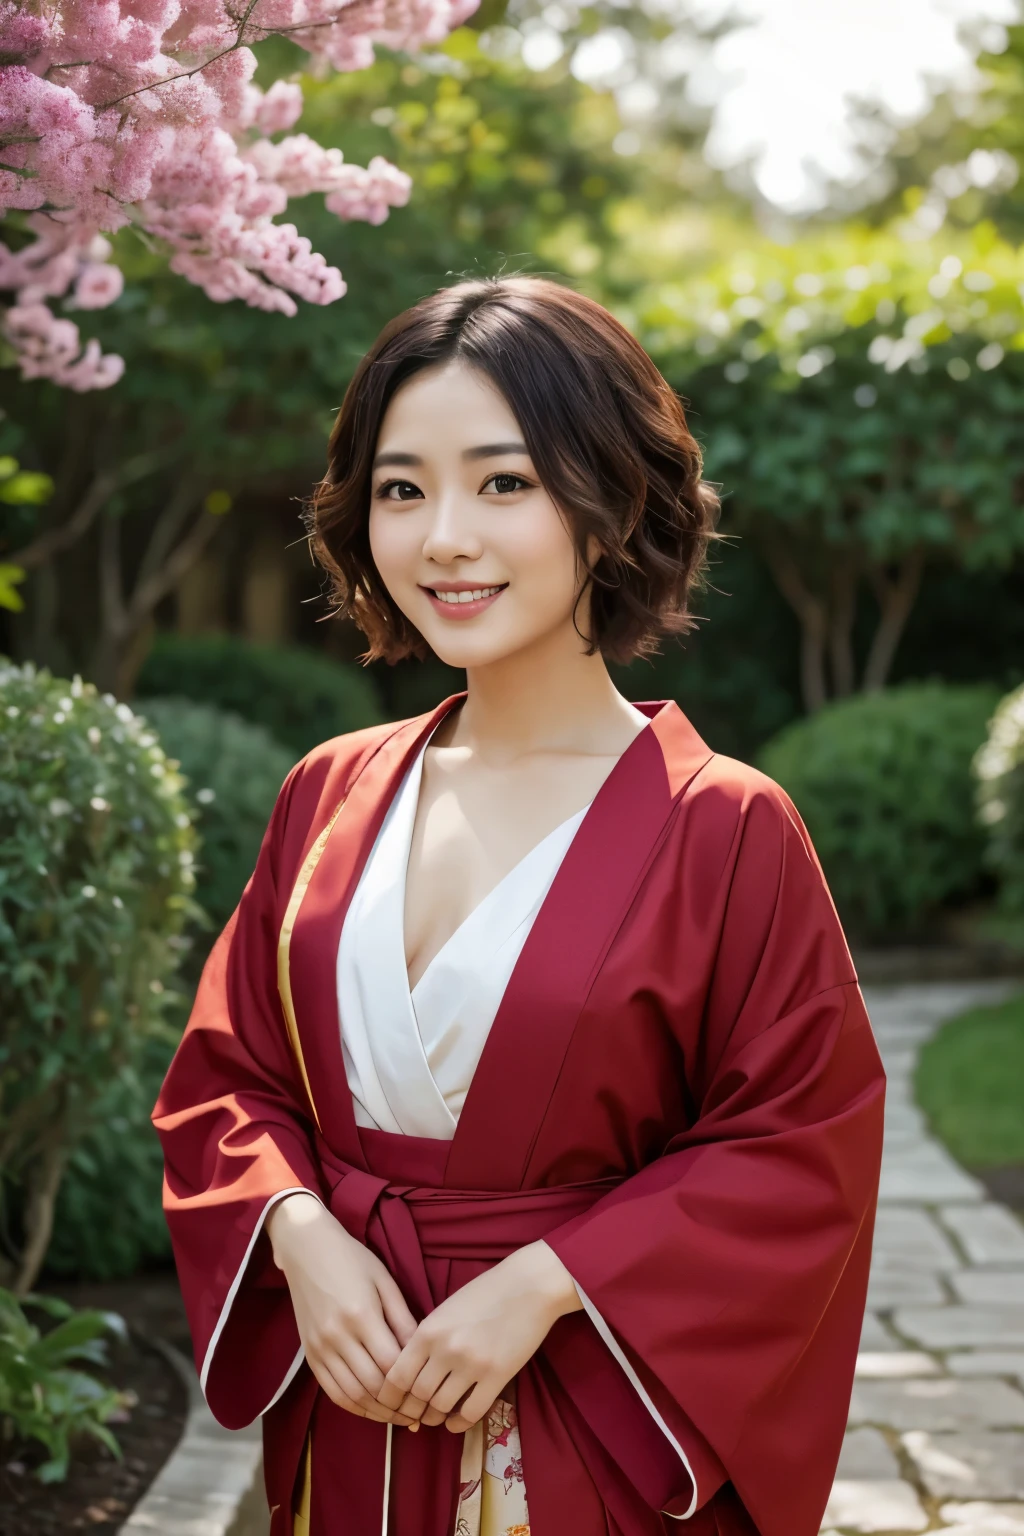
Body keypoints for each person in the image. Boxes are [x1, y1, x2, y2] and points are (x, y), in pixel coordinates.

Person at [154, 276, 885, 1536]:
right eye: (401, 487)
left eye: (503, 483)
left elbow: (799, 1143)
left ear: (610, 501)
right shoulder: (328, 792)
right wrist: (297, 1235)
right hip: (356, 1413)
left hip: (582, 1428)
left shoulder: (725, 826)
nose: (443, 535)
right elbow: (229, 1079)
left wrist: (550, 1281)